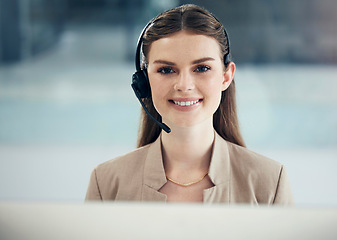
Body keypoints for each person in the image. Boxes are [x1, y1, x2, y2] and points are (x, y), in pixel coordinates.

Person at [85, 4, 294, 204]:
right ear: (144, 81)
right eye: (166, 70)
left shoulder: (269, 183)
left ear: (226, 76)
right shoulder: (106, 184)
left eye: (202, 68)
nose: (184, 86)